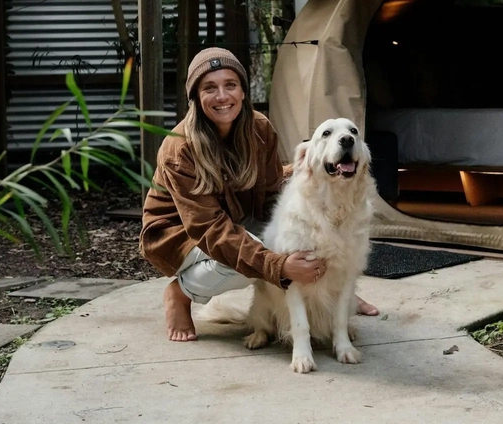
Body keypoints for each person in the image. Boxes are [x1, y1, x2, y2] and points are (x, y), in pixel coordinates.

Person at [139, 47, 379, 342]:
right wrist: (278, 266)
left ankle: (339, 298)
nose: (222, 96)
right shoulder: (180, 149)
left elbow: (269, 197)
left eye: (231, 85)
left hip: (236, 219)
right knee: (248, 262)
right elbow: (210, 230)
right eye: (209, 88)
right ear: (196, 98)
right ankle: (180, 293)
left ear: (243, 91)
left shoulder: (259, 128)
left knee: (307, 239)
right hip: (181, 235)